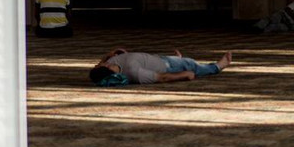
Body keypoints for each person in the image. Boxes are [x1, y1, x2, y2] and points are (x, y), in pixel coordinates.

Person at [89, 48, 233, 85]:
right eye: (102, 64)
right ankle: (218, 67)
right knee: (193, 66)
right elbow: (161, 77)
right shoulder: (134, 74)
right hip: (167, 66)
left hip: (158, 58)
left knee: (179, 61)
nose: (102, 62)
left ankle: (178, 60)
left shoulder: (112, 61)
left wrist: (109, 55)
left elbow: (104, 61)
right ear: (108, 69)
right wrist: (183, 75)